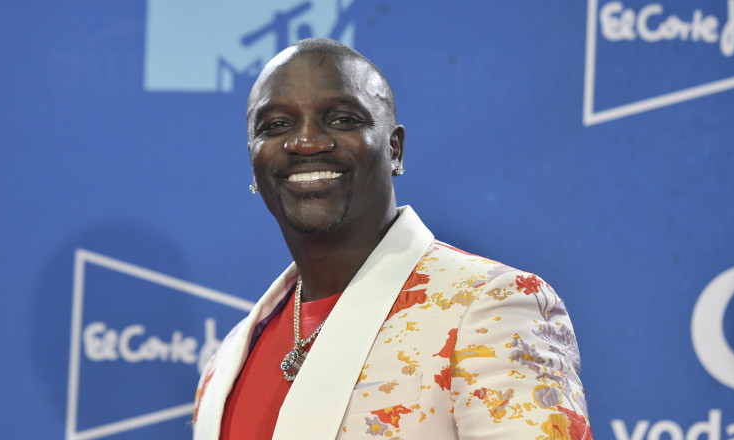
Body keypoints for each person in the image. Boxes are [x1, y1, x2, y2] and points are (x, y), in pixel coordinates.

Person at [192, 38, 591, 440]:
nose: (307, 142)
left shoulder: (489, 306)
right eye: (277, 125)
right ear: (253, 159)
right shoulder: (225, 362)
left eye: (342, 119)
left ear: (395, 150)